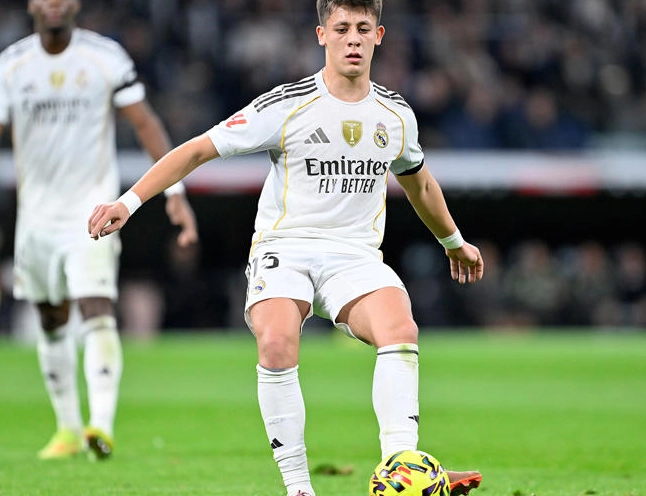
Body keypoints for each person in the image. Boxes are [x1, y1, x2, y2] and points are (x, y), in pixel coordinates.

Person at [88, 0, 482, 494]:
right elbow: (198, 149)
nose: (353, 38)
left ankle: (401, 465)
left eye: (363, 28)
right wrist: (129, 202)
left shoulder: (396, 114)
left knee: (401, 328)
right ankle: (298, 487)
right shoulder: (287, 104)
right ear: (322, 34)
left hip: (355, 255)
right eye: (342, 28)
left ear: (379, 36)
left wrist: (453, 241)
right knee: (275, 342)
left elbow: (419, 183)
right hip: (286, 248)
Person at [0, 0, 199, 460]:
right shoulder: (11, 65)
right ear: (31, 4)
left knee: (96, 307)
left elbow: (145, 121)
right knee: (51, 318)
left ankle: (101, 426)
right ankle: (68, 429)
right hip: (35, 217)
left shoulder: (105, 57)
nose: (54, 4)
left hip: (92, 208)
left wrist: (175, 192)